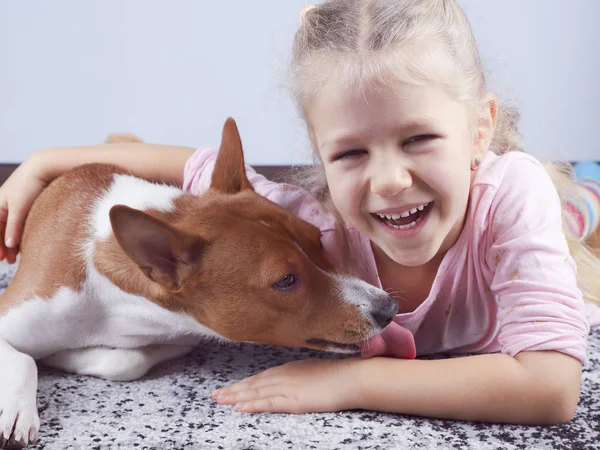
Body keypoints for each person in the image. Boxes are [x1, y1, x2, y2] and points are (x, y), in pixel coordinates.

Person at [1, 0, 599, 424]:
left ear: (479, 131)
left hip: (511, 220)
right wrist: (44, 162)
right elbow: (195, 168)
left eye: (419, 138)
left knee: (569, 228)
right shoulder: (315, 223)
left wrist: (353, 381)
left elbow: (550, 389)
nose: (389, 181)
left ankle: (580, 201)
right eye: (351, 151)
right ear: (320, 155)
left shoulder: (509, 194)